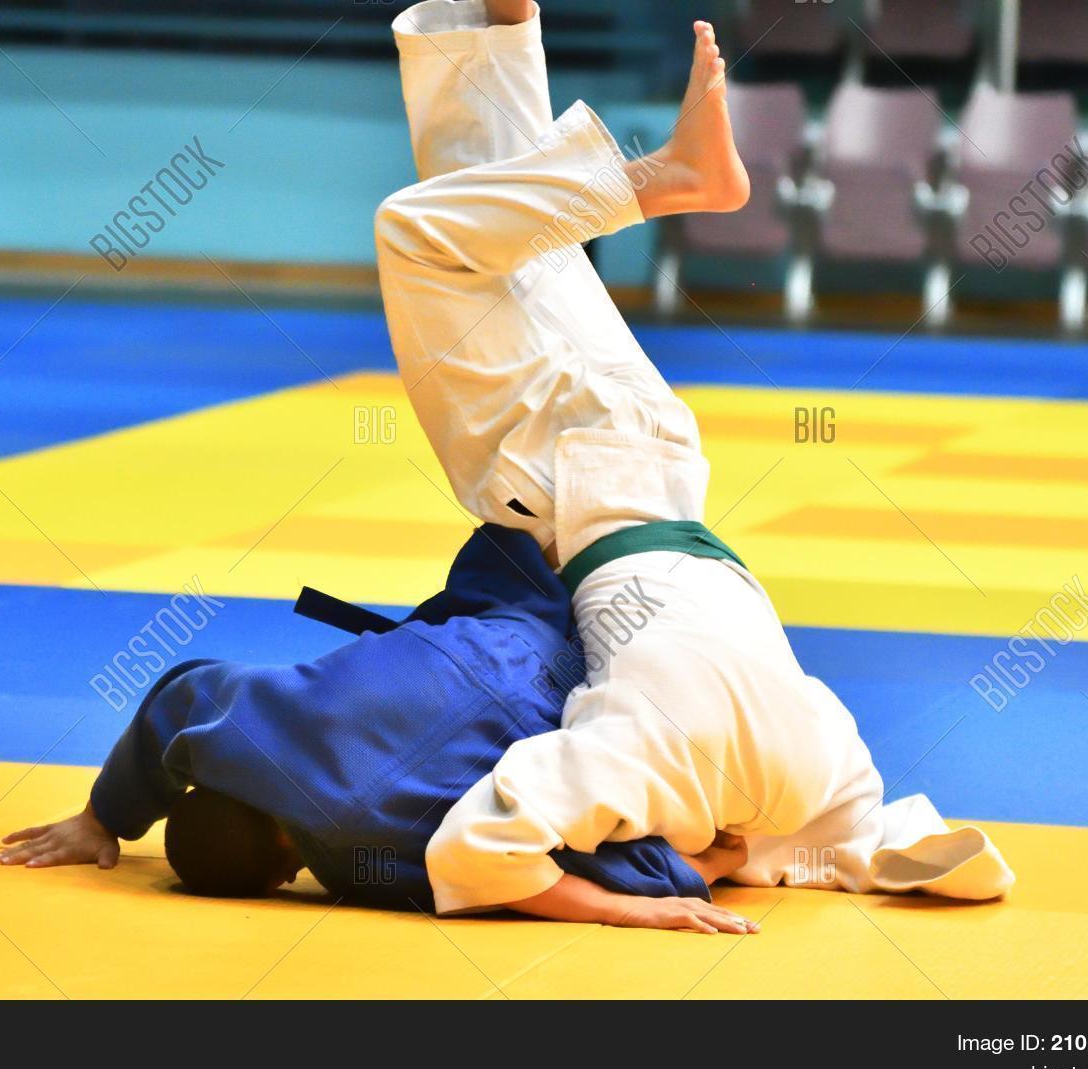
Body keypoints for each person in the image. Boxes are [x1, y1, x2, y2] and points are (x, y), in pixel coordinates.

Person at [371, 0, 1015, 919]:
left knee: (509, 234)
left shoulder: (833, 766)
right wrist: (652, 905)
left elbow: (900, 851)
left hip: (661, 456)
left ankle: (502, 22)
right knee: (423, 237)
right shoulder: (637, 760)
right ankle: (661, 177)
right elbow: (474, 857)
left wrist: (716, 866)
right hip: (562, 487)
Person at [0, 525, 758, 935]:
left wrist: (694, 871)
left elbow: (510, 876)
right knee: (510, 542)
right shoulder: (235, 731)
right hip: (488, 633)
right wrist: (104, 815)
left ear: (280, 878)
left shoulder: (360, 870)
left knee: (605, 824)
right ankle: (555, 522)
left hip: (555, 692)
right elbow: (176, 697)